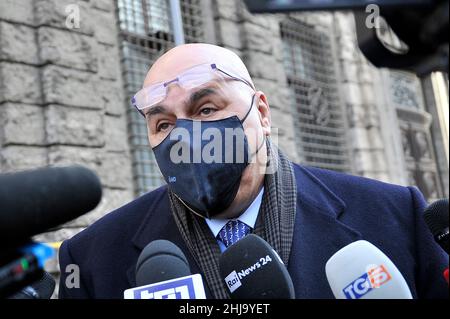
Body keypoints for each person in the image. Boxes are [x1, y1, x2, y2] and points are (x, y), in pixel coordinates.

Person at [58, 43, 448, 299]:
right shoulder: (92, 260)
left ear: (260, 113)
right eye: (163, 124)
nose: (186, 139)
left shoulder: (396, 217)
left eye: (206, 110)